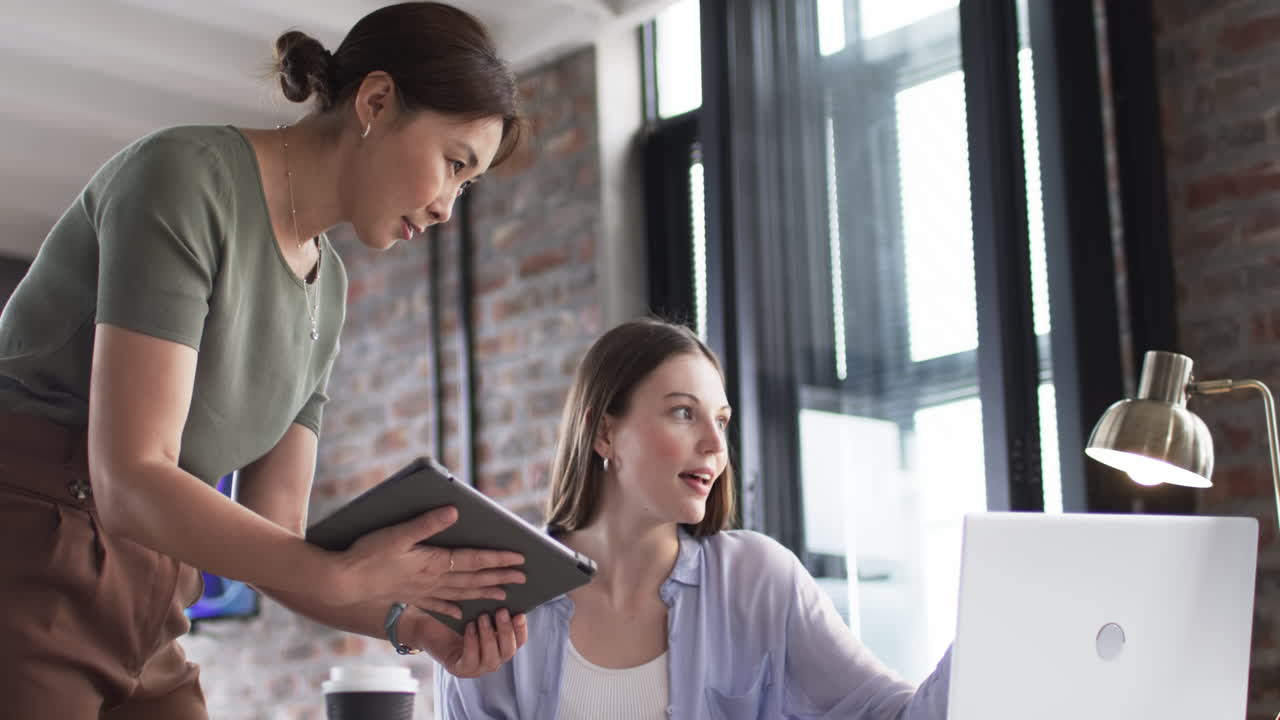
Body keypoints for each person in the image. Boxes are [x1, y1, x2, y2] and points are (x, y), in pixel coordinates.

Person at [0, 4, 533, 717]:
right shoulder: (185, 178)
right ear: (375, 102)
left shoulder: (329, 290)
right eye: (453, 163)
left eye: (466, 187)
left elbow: (276, 534)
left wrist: (410, 624)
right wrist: (344, 578)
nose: (447, 209)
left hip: (154, 602)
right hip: (30, 565)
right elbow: (129, 478)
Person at [436, 318, 952, 719]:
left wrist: (994, 627)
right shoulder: (500, 589)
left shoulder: (759, 581)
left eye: (721, 421)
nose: (714, 444)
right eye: (684, 412)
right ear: (604, 434)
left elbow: (893, 715)